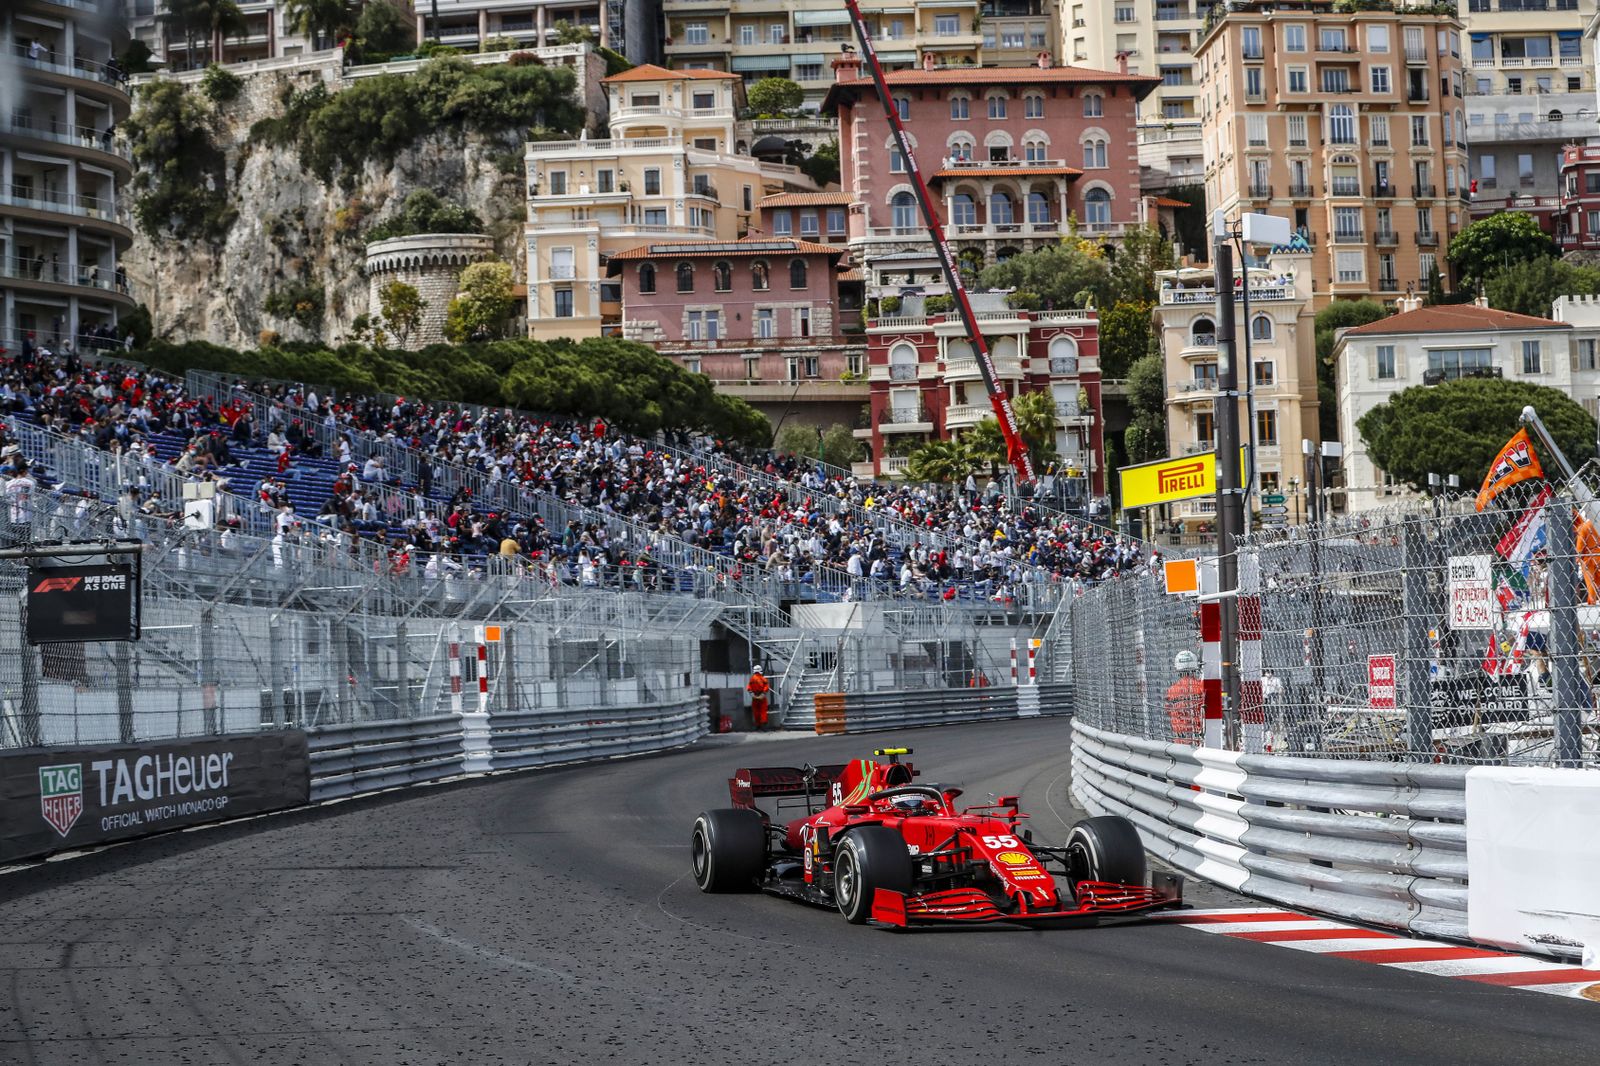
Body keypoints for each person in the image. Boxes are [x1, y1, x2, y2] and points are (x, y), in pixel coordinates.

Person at [1166, 650, 1205, 745]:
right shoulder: (1201, 687)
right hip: (1199, 737)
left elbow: (1169, 711)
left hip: (1181, 738)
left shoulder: (1172, 690)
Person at [747, 665, 771, 729]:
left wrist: (753, 695)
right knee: (763, 710)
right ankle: (764, 724)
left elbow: (749, 688)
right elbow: (766, 687)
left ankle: (758, 725)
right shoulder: (763, 679)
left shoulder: (752, 679)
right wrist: (763, 694)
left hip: (754, 696)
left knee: (756, 711)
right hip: (762, 696)